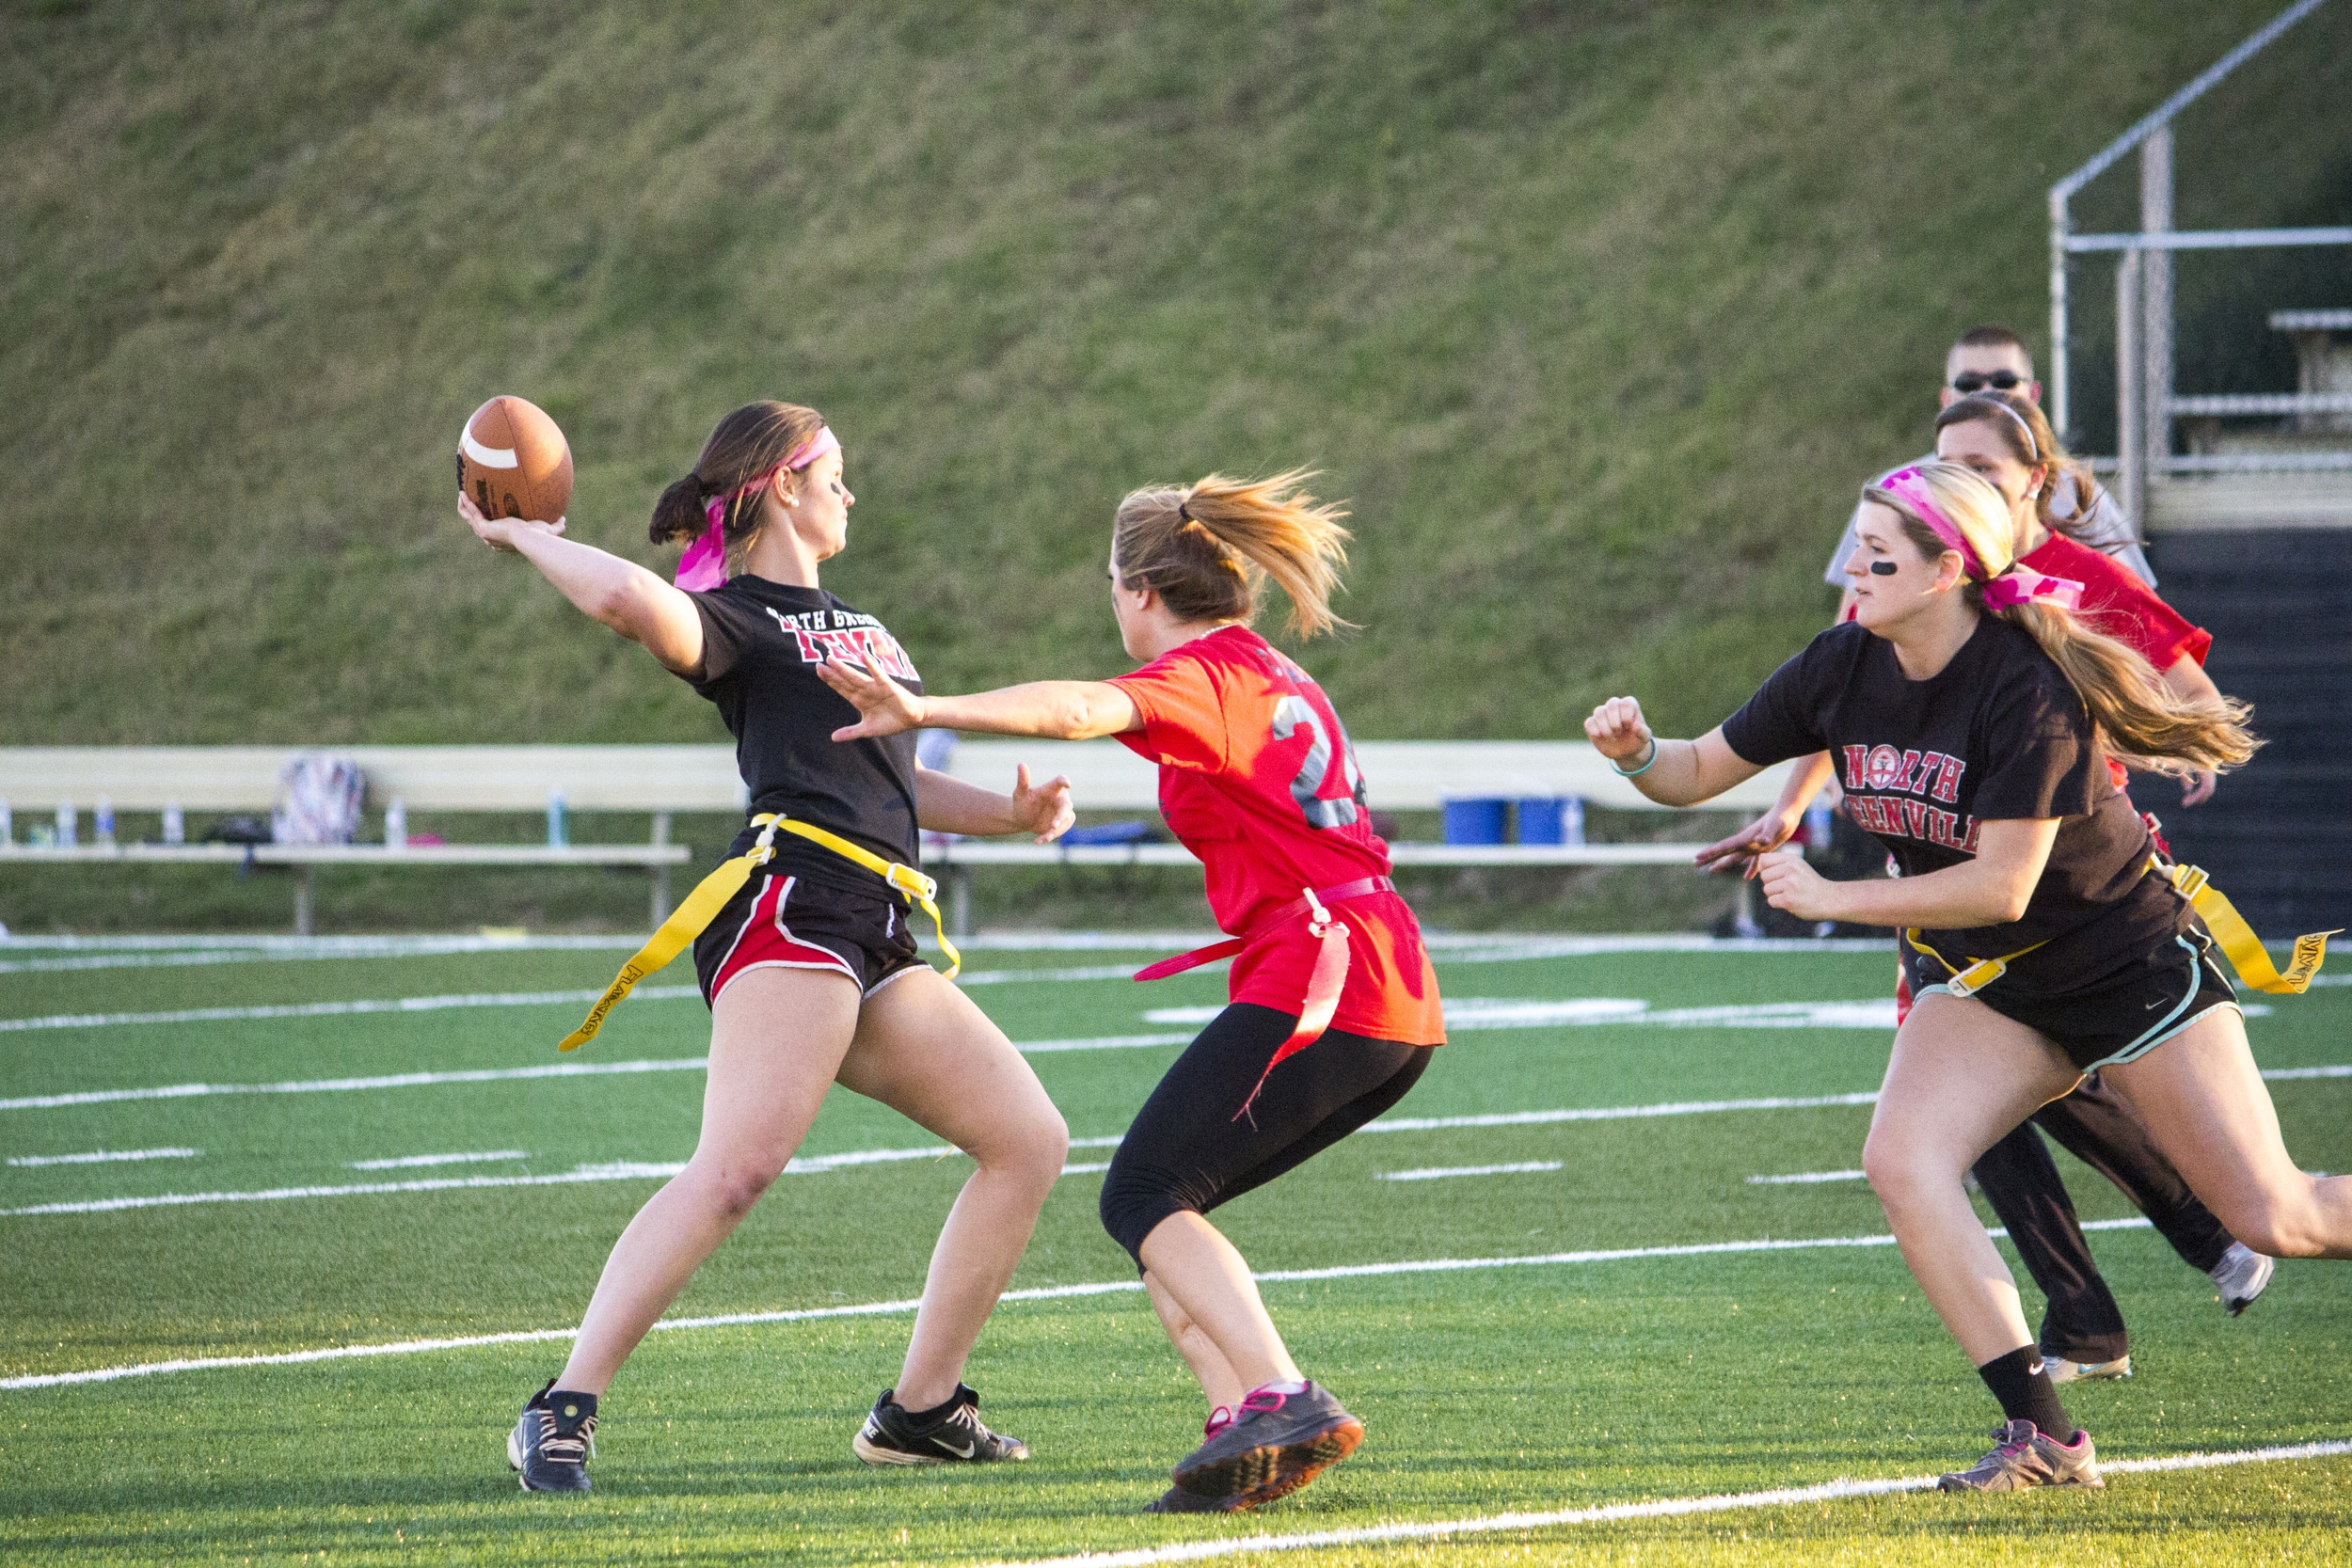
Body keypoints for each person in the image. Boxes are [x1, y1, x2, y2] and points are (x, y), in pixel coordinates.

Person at [1587, 459, 2348, 1494]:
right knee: (1902, 1159)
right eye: (1855, 544)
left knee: (2279, 1217)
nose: (1851, 568)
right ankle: (2045, 1437)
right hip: (1999, 983)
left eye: (1879, 553)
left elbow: (2000, 883)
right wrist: (1634, 752)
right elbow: (1693, 769)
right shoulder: (1839, 662)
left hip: (2122, 968)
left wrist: (1829, 897)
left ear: (1950, 568)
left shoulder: (2023, 686)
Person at [458, 400, 1073, 1492]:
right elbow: (629, 600)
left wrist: (1014, 816)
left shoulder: (867, 628)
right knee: (738, 1168)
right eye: (835, 471)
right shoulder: (737, 615)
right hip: (792, 905)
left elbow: (895, 781)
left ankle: (921, 1409)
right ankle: (561, 1405)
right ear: (783, 484)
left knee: (1028, 1137)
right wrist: (528, 533)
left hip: (877, 922)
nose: (850, 491)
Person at [819, 471, 1444, 1513]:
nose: (1110, 603)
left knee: (1140, 1194)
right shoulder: (1264, 665)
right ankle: (1239, 1429)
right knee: (1171, 1204)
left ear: (1145, 588)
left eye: (1111, 583)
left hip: (1329, 972)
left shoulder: (1207, 671)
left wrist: (929, 708)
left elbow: (1080, 706)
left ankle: (1280, 1393)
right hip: (1373, 972)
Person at [1704, 385, 2269, 1385]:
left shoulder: (2046, 617)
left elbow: (2173, 691)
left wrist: (2177, 731)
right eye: (1944, 460)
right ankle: (2064, 1374)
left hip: (2086, 921)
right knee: (1927, 1141)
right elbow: (1822, 715)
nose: (1960, 479)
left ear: (2031, 488)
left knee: (2274, 1209)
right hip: (1962, 938)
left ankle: (2203, 1229)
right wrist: (1776, 801)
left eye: (1984, 467)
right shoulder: (1887, 595)